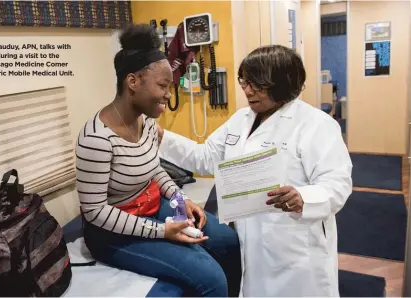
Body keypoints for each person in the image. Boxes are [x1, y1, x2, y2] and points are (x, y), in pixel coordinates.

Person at [157, 45, 353, 297]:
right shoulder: (241, 120)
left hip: (294, 243)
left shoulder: (315, 125)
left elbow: (337, 183)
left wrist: (303, 198)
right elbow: (205, 157)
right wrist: (161, 137)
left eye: (257, 84)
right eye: (245, 81)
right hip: (249, 235)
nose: (247, 90)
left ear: (282, 83)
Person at [75, 24, 241, 297]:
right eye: (163, 86)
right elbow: (96, 212)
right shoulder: (95, 139)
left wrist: (180, 201)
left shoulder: (147, 122)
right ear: (133, 82)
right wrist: (161, 231)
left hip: (152, 208)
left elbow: (156, 171)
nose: (168, 94)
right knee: (211, 278)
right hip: (112, 234)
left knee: (227, 240)